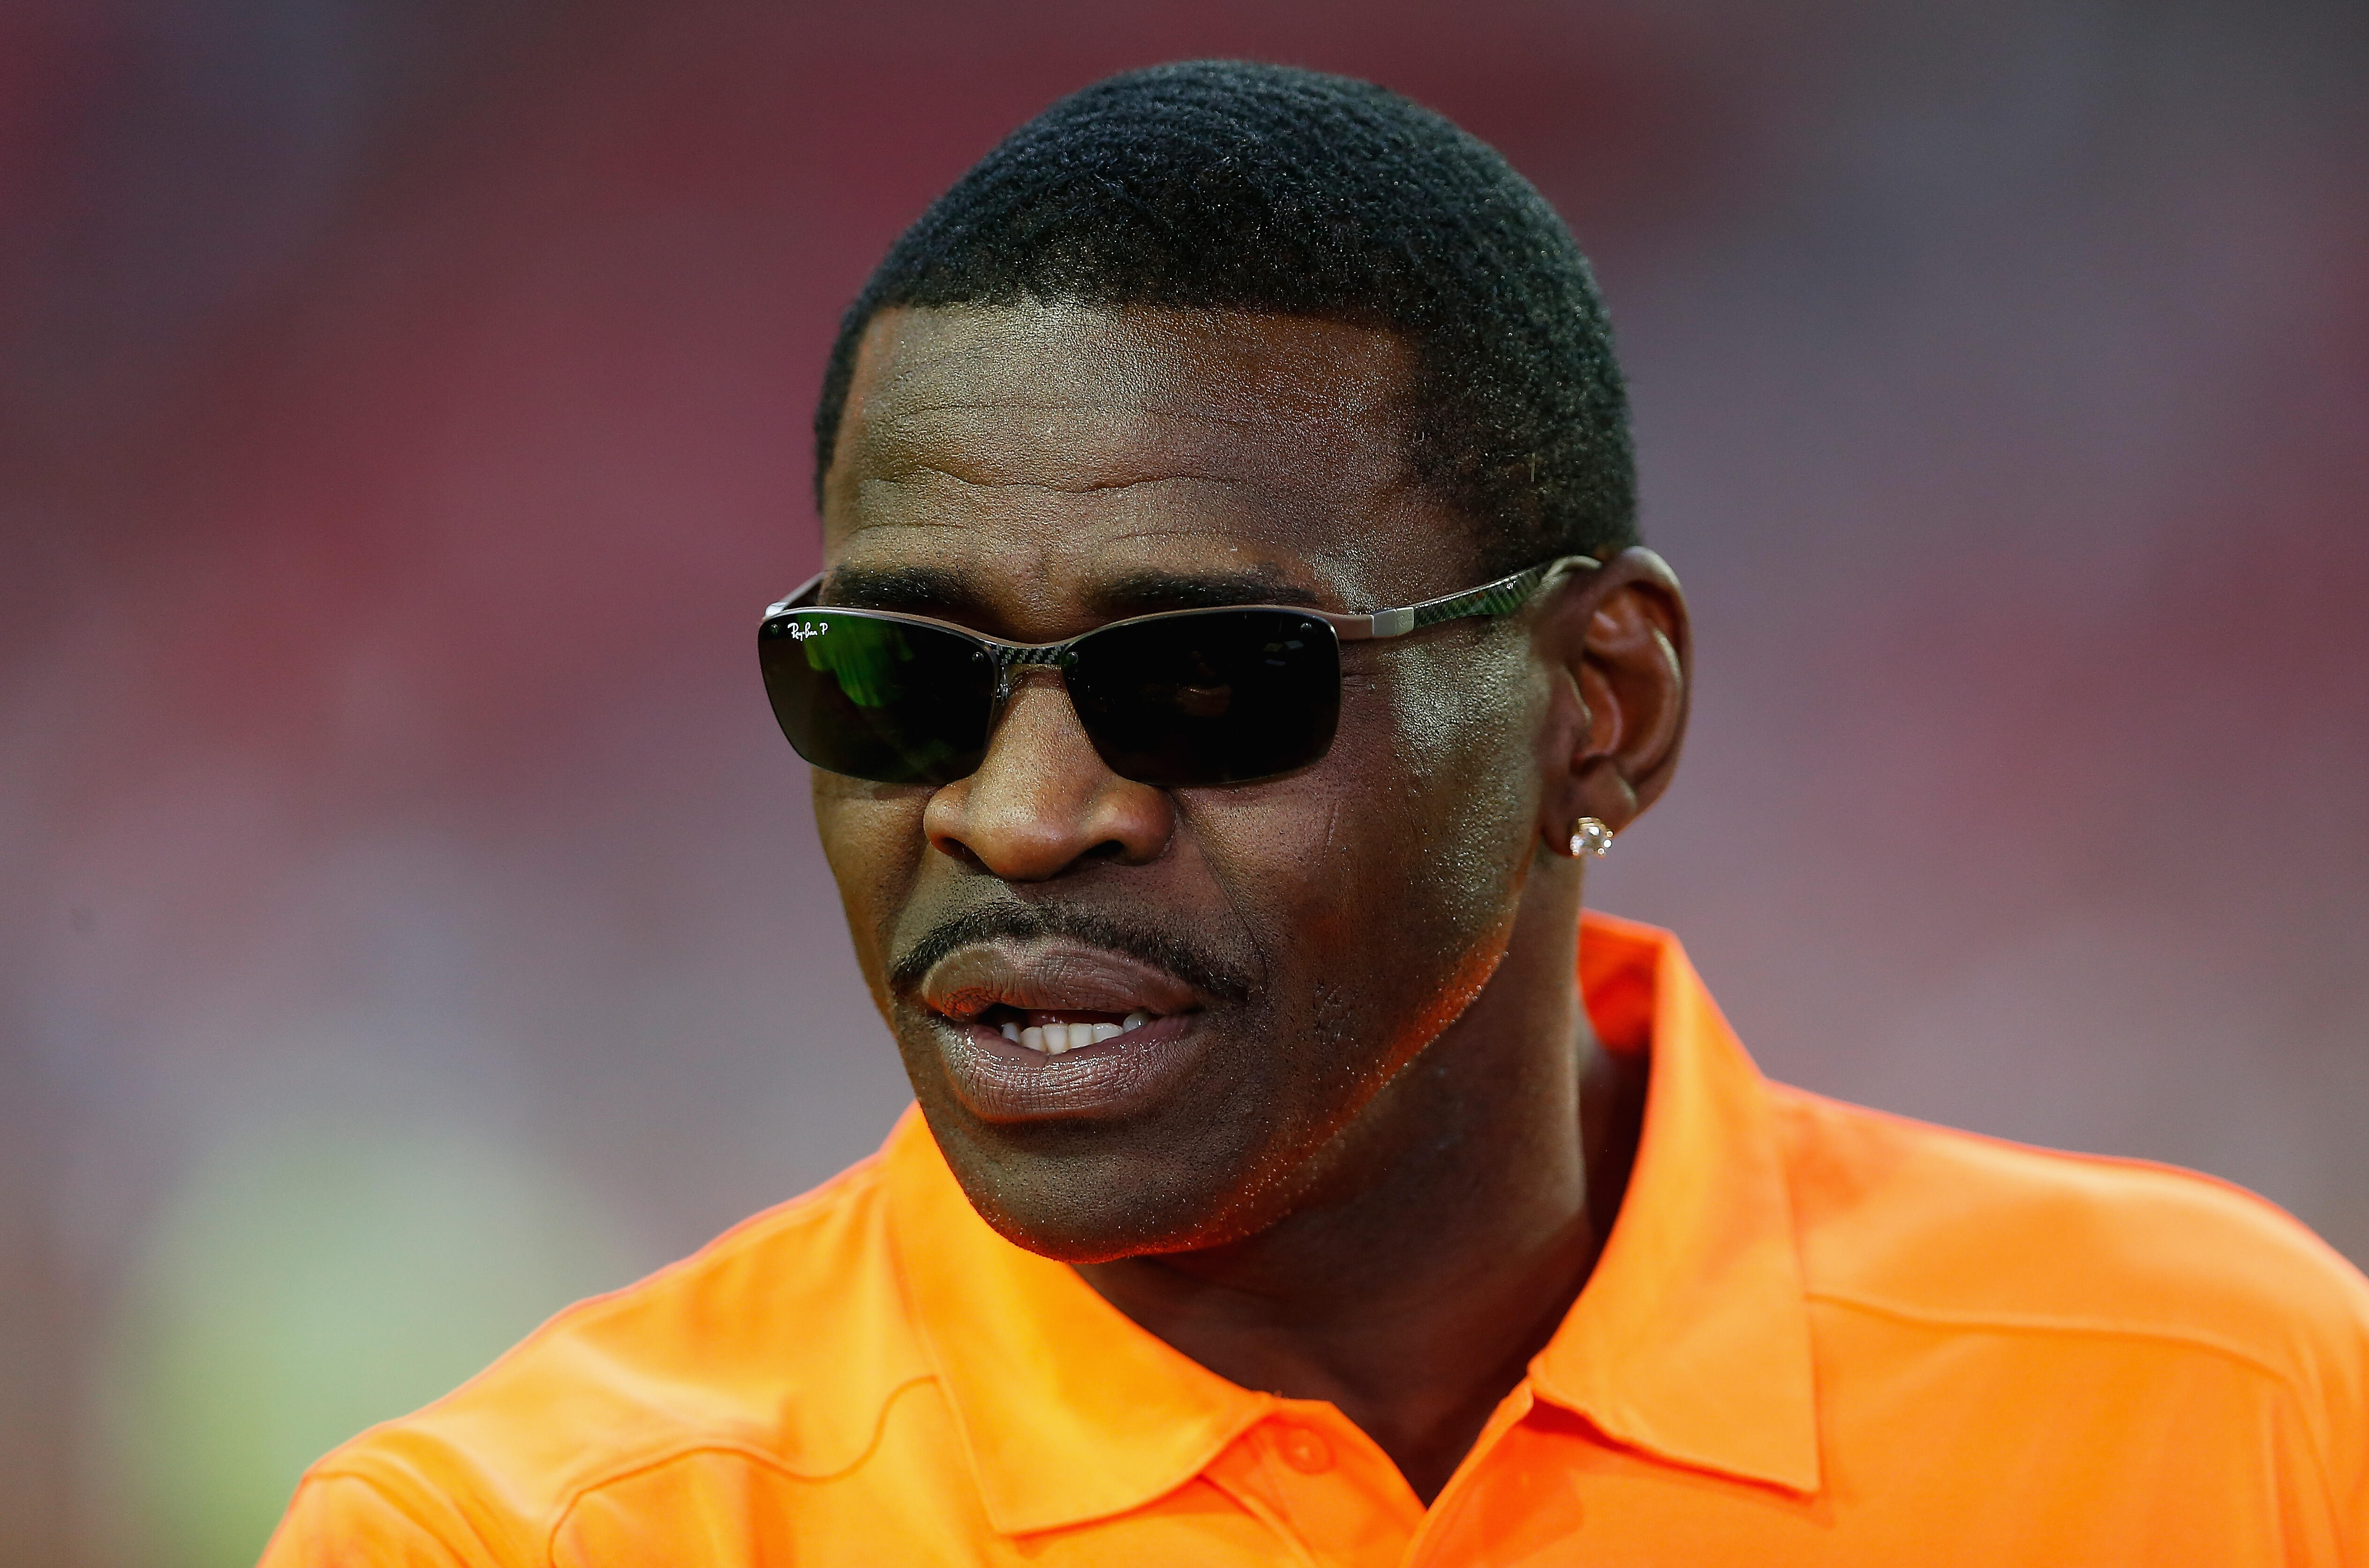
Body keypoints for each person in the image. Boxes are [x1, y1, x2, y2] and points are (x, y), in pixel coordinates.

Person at [262, 61, 2369, 1565]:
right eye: (894, 678)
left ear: (1599, 712)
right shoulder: (522, 1533)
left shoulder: (2242, 1410)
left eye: (1205, 677)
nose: (1017, 813)